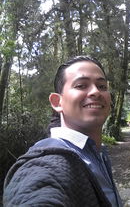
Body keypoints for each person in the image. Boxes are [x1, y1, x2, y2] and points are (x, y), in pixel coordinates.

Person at [3, 55, 122, 207]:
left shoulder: (96, 153)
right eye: (81, 85)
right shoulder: (48, 161)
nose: (96, 92)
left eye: (102, 86)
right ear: (57, 102)